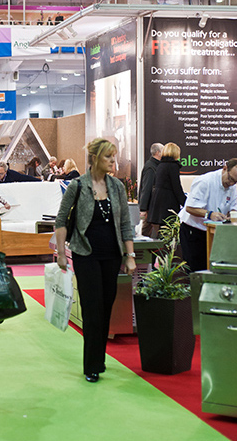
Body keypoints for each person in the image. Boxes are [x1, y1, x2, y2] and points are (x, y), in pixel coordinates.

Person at [55, 138, 136, 383]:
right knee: (92, 309)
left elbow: (124, 224)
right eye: (108, 157)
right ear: (94, 159)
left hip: (112, 255)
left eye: (114, 156)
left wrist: (130, 256)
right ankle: (91, 365)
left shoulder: (117, 187)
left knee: (106, 307)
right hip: (85, 254)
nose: (113, 161)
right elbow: (60, 220)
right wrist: (60, 253)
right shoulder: (77, 186)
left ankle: (99, 358)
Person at [179, 158, 237, 272]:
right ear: (225, 169)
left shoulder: (232, 187)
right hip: (193, 231)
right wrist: (209, 214)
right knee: (196, 271)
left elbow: (232, 208)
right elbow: (190, 207)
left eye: (235, 181)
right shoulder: (205, 181)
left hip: (214, 233)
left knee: (212, 269)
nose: (231, 183)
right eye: (230, 179)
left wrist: (231, 216)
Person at [147, 142, 186, 230]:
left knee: (161, 231)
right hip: (169, 204)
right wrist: (185, 203)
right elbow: (176, 186)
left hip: (158, 203)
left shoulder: (160, 165)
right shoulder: (173, 166)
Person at [138, 143, 163, 238]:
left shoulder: (153, 165)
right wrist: (144, 208)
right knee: (149, 230)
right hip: (151, 207)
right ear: (158, 153)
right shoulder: (151, 167)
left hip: (151, 206)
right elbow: (146, 187)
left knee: (147, 229)